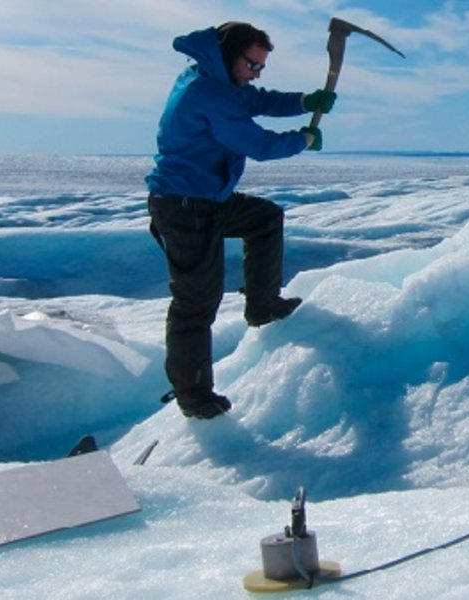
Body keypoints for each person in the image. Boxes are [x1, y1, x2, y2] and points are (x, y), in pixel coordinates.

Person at [145, 21, 336, 419]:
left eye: (260, 67)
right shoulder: (207, 94)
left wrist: (304, 101)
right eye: (252, 65)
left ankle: (263, 305)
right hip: (185, 207)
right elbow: (258, 143)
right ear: (230, 56)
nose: (255, 74)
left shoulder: (217, 80)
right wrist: (301, 140)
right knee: (195, 303)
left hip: (208, 199)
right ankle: (194, 396)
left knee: (265, 218)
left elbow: (255, 101)